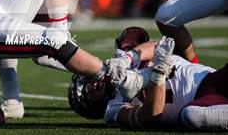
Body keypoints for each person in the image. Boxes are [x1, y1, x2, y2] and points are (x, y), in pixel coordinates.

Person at [69, 27, 228, 131]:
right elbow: (150, 116)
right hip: (203, 102)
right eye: (90, 91)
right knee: (191, 116)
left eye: (90, 80)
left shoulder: (120, 64)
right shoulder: (113, 110)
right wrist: (159, 72)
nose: (95, 84)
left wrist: (127, 57)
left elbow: (157, 45)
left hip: (213, 78)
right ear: (91, 105)